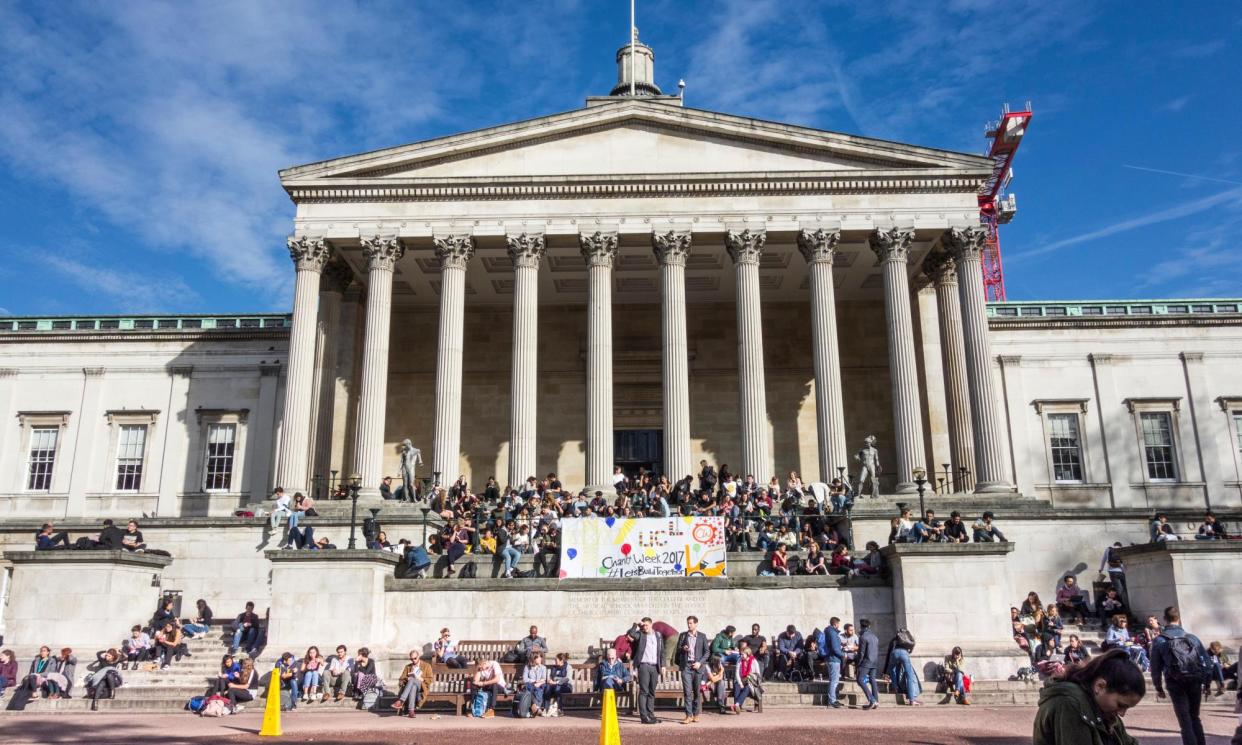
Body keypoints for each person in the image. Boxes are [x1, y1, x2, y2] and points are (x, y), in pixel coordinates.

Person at [1032, 649, 1144, 745]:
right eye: (1120, 705)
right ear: (1099, 686)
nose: (1122, 713)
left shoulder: (1102, 709)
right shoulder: (1070, 703)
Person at [1151, 606, 1210, 745]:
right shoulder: (1192, 638)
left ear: (1165, 619)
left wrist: (1158, 687)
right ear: (1179, 618)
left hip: (1174, 681)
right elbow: (1207, 662)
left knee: (1185, 720)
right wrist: (1207, 683)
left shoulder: (1160, 640)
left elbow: (1155, 667)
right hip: (1195, 679)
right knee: (1195, 717)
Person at [628, 617, 662, 724]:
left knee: (652, 692)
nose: (645, 627)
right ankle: (644, 716)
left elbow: (662, 651)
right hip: (644, 666)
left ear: (651, 624)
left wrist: (663, 665)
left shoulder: (658, 635)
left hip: (655, 667)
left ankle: (650, 714)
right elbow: (631, 634)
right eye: (644, 625)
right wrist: (637, 625)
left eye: (647, 625)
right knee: (644, 691)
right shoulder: (640, 634)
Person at [676, 615, 709, 724]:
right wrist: (683, 648)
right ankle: (688, 715)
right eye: (688, 623)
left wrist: (700, 663)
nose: (689, 625)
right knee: (687, 692)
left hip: (697, 667)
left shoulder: (702, 636)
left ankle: (696, 714)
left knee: (696, 692)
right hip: (686, 667)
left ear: (696, 624)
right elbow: (678, 649)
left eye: (691, 623)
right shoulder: (683, 636)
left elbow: (707, 652)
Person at [884, 632, 922, 705]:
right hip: (904, 653)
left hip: (894, 652)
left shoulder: (894, 640)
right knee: (909, 675)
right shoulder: (907, 638)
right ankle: (912, 700)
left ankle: (895, 688)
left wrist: (885, 671)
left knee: (892, 670)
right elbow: (912, 647)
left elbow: (889, 652)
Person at [730, 643, 764, 713]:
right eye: (741, 654)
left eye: (743, 654)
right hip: (740, 680)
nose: (741, 656)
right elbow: (737, 673)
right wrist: (740, 683)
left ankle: (737, 705)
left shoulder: (754, 661)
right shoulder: (739, 660)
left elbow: (758, 674)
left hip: (750, 681)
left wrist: (750, 676)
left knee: (747, 688)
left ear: (748, 654)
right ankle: (738, 706)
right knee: (737, 687)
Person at [391, 649, 425, 717]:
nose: (413, 660)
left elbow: (430, 680)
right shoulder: (408, 667)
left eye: (415, 658)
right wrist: (407, 678)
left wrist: (419, 678)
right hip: (412, 688)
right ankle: (411, 711)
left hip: (421, 689)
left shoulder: (426, 666)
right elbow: (401, 679)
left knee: (412, 680)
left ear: (418, 657)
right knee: (413, 686)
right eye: (411, 659)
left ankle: (401, 701)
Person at [857, 619, 881, 710]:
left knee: (860, 679)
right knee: (872, 680)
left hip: (866, 661)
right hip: (875, 661)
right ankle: (876, 700)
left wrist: (858, 663)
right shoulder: (875, 637)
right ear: (869, 626)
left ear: (861, 626)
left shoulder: (863, 637)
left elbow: (861, 652)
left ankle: (872, 700)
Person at [823, 616, 845, 708]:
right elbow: (835, 649)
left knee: (833, 680)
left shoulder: (829, 632)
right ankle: (832, 700)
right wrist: (843, 654)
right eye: (838, 624)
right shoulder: (832, 633)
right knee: (834, 681)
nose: (839, 626)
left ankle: (833, 699)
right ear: (835, 624)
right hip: (834, 659)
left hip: (831, 659)